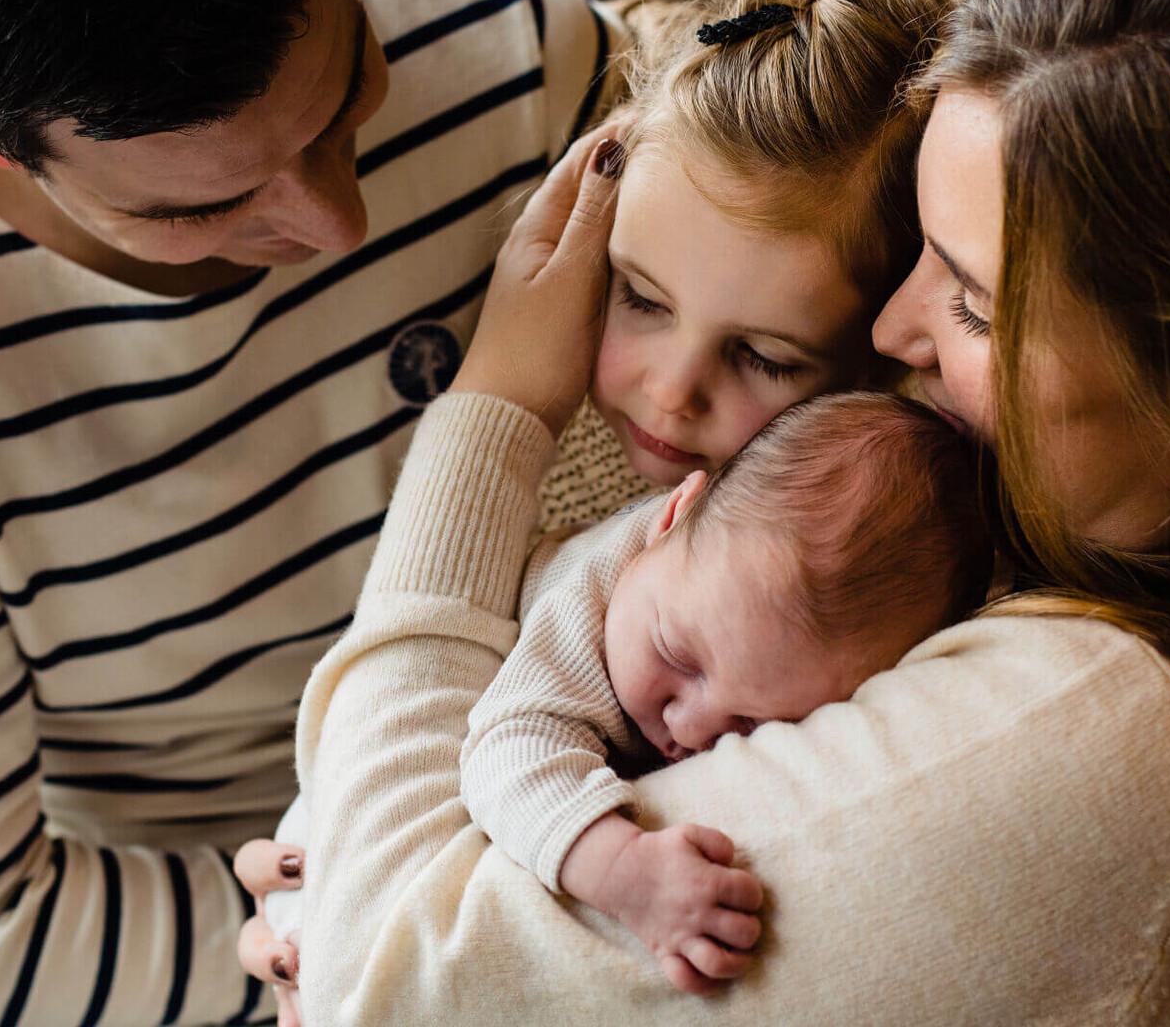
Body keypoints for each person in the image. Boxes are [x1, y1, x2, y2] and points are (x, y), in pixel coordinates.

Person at [238, 0, 1170, 1022]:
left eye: (968, 296)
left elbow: (389, 986)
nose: (888, 341)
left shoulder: (1102, 739)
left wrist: (489, 415)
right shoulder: (1045, 582)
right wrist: (351, 845)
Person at [0, 0, 627, 1023]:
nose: (340, 224)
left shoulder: (523, 56)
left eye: (347, 95)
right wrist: (379, 932)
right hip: (207, 950)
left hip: (557, 812)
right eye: (208, 205)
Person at [267, 392, 992, 993]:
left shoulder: (690, 598)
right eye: (679, 656)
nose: (690, 723)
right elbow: (508, 754)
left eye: (754, 721)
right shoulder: (584, 604)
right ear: (672, 515)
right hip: (353, 824)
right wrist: (626, 875)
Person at [531, 0, 952, 531]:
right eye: (643, 299)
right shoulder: (536, 437)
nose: (673, 390)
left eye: (764, 359)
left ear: (880, 369)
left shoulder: (876, 537)